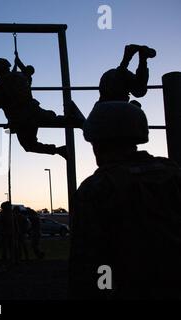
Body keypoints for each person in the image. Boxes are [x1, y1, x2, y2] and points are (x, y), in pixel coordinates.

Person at [70, 101, 181, 299]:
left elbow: (93, 262)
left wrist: (103, 293)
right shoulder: (173, 173)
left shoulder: (96, 188)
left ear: (97, 143)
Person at [0, 58, 84, 159]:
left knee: (29, 145)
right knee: (54, 120)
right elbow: (26, 76)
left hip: (20, 118)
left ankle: (58, 150)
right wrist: (18, 62)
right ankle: (77, 122)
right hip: (33, 110)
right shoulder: (21, 76)